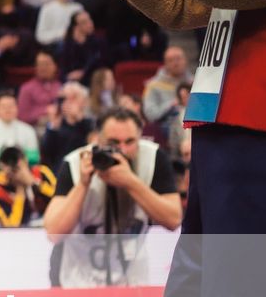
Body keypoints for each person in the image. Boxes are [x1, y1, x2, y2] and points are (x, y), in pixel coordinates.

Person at [40, 108, 183, 286]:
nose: (121, 150)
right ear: (97, 139)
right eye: (113, 143)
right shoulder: (76, 162)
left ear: (140, 137)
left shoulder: (152, 158)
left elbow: (173, 219)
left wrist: (131, 182)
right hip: (79, 281)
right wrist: (83, 184)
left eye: (130, 142)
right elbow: (54, 233)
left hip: (132, 282)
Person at [0, 145, 57, 228]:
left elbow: (60, 199)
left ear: (26, 161)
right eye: (13, 169)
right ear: (2, 167)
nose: (17, 172)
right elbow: (11, 226)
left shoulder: (42, 172)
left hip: (50, 224)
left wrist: (34, 183)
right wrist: (20, 192)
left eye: (19, 167)